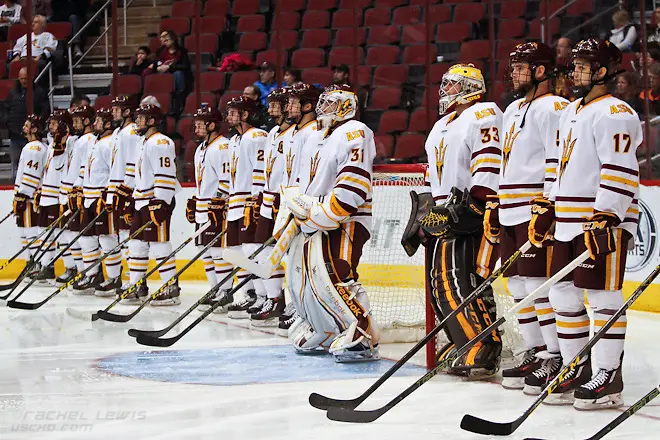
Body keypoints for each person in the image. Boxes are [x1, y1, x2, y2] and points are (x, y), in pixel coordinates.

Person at [530, 39, 642, 409]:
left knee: (603, 296)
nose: (573, 72)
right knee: (562, 293)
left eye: (581, 66)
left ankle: (609, 376)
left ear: (602, 71)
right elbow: (556, 165)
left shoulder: (615, 112)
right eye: (574, 65)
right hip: (567, 219)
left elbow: (620, 167)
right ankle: (576, 366)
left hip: (599, 220)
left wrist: (608, 213)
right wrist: (548, 206)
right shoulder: (572, 110)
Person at [410, 64, 503, 378]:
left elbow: (489, 165)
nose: (444, 90)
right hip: (442, 214)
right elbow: (433, 175)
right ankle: (464, 340)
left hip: (468, 213)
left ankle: (484, 346)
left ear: (469, 87)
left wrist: (475, 206)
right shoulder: (442, 125)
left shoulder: (484, 113)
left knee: (461, 282)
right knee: (442, 285)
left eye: (451, 85)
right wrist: (424, 215)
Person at [487, 42, 569, 394]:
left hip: (534, 207)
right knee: (518, 285)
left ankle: (558, 355)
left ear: (541, 71)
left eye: (521, 67)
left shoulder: (554, 107)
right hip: (510, 207)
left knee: (540, 286)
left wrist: (548, 204)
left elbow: (557, 159)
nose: (514, 73)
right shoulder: (513, 108)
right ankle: (536, 351)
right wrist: (495, 200)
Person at [282, 84, 379, 362]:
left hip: (347, 217)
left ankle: (362, 333)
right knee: (312, 277)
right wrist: (299, 208)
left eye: (331, 104)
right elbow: (303, 180)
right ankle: (326, 328)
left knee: (339, 271)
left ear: (346, 107)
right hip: (316, 217)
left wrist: (326, 213)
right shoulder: (316, 136)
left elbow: (354, 184)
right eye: (322, 103)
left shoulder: (355, 131)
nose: (323, 108)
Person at [123, 104, 180, 305]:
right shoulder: (142, 142)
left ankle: (171, 287)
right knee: (136, 245)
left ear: (152, 121)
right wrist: (130, 198)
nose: (137, 121)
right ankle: (137, 286)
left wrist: (161, 202)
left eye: (141, 118)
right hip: (141, 200)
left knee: (159, 245)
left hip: (156, 201)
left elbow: (165, 175)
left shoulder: (160, 142)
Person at [248, 87, 295, 327]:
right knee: (264, 251)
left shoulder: (298, 134)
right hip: (268, 201)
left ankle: (296, 304)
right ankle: (274, 299)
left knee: (294, 255)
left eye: (275, 105)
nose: (270, 109)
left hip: (288, 201)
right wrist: (258, 196)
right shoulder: (273, 132)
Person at [276, 83, 320, 333]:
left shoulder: (313, 132)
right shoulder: (293, 132)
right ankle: (297, 306)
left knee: (303, 261)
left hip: (303, 204)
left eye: (294, 102)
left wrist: (304, 202)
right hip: (288, 201)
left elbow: (311, 173)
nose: (288, 107)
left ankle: (305, 309)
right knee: (289, 260)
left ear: (308, 105)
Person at [223, 96, 268, 318]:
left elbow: (261, 171)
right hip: (235, 202)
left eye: (234, 112)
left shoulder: (257, 137)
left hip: (251, 201)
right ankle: (248, 295)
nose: (229, 116)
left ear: (246, 114)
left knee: (253, 252)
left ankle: (264, 297)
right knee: (236, 253)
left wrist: (257, 199)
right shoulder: (234, 140)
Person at [72, 108, 122, 294]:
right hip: (88, 198)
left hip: (101, 198)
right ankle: (93, 274)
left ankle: (114, 277)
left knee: (107, 239)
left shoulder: (110, 144)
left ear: (108, 124)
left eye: (99, 121)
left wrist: (108, 195)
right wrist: (78, 189)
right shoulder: (95, 141)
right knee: (86, 239)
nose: (94, 124)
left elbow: (116, 172)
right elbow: (86, 169)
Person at [189, 105, 233, 312]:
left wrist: (218, 201)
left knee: (217, 251)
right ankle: (215, 289)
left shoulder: (223, 146)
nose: (196, 127)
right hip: (202, 207)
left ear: (212, 125)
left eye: (200, 124)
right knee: (203, 251)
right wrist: (197, 200)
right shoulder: (201, 148)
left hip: (216, 208)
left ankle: (225, 292)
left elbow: (227, 180)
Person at [33, 110, 78, 284]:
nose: (50, 126)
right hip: (48, 196)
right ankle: (47, 267)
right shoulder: (51, 144)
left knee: (63, 235)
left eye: (54, 123)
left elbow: (63, 163)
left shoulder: (71, 143)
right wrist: (41, 190)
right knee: (48, 234)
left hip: (58, 197)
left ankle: (72, 268)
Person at [104, 95, 140, 295]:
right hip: (117, 191)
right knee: (122, 238)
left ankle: (134, 281)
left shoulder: (132, 132)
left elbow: (135, 164)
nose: (113, 112)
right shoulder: (118, 132)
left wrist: (127, 190)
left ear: (127, 112)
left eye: (117, 109)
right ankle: (129, 280)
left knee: (129, 239)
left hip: (128, 192)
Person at [60, 105, 95, 285]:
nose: (73, 124)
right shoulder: (78, 140)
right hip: (73, 192)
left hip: (80, 194)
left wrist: (77, 189)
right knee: (74, 236)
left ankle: (89, 273)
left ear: (87, 121)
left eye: (77, 120)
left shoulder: (87, 140)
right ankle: (83, 272)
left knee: (84, 237)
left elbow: (84, 169)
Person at [12, 115, 48, 271]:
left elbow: (31, 175)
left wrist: (23, 195)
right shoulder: (36, 147)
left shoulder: (33, 148)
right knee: (25, 232)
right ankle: (32, 262)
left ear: (34, 129)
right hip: (28, 197)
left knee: (30, 231)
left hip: (30, 199)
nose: (23, 127)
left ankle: (35, 264)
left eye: (27, 125)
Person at [2, 66, 50, 180]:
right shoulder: (12, 93)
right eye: (22, 79)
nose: (24, 81)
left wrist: (38, 123)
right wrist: (8, 123)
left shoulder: (39, 93)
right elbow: (5, 109)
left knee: (33, 163)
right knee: (16, 165)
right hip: (15, 136)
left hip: (33, 136)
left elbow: (46, 110)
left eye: (26, 78)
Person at [143, 30, 191, 115]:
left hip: (176, 74)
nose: (164, 41)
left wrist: (169, 67)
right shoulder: (160, 51)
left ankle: (179, 102)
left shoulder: (182, 51)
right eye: (162, 39)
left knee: (178, 74)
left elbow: (185, 66)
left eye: (166, 39)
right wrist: (157, 68)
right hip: (163, 74)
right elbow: (155, 63)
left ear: (172, 39)